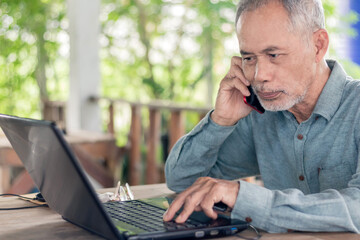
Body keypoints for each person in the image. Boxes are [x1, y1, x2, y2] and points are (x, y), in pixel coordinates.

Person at [163, 0, 360, 233]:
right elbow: (182, 181)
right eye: (249, 58)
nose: (259, 75)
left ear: (318, 45)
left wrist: (243, 197)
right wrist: (221, 121)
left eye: (274, 54)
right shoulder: (262, 115)